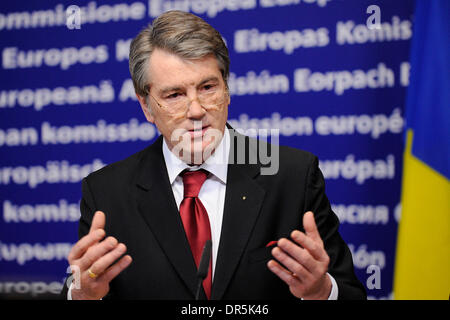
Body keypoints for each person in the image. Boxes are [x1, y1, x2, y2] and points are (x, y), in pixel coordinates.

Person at [62, 10, 366, 300]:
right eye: (175, 95)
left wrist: (320, 291)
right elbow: (83, 283)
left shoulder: (292, 176)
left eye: (208, 87)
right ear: (146, 106)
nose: (196, 110)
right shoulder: (107, 192)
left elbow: (349, 292)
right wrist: (83, 293)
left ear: (227, 90)